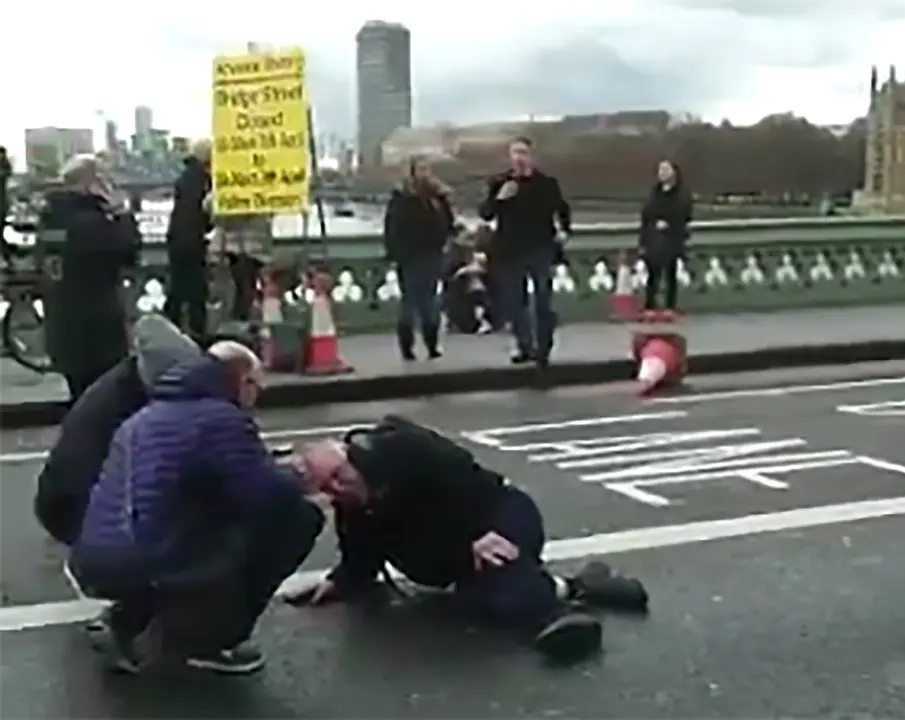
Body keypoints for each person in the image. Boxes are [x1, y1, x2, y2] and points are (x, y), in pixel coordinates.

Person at [282, 416, 649, 664]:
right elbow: (360, 560)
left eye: (338, 474)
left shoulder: (402, 452)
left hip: (498, 516)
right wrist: (337, 584)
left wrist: (481, 533)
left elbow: (467, 476)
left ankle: (561, 621)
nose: (337, 487)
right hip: (458, 559)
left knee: (503, 586)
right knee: (470, 601)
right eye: (326, 486)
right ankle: (582, 586)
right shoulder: (355, 511)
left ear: (350, 457)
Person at [69, 341, 328, 675]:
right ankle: (212, 640)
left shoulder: (144, 418)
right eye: (257, 387)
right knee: (298, 519)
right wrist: (302, 475)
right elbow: (266, 496)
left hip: (94, 557)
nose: (257, 398)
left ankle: (124, 619)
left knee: (181, 526)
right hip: (149, 556)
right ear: (243, 381)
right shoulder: (221, 417)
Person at [35, 315, 201, 636]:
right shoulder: (138, 407)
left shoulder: (117, 386)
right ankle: (143, 612)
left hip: (61, 504)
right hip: (81, 515)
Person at [42, 155, 141, 403]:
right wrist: (122, 213)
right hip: (97, 331)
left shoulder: (51, 217)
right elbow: (128, 251)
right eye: (106, 179)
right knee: (104, 404)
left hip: (62, 323)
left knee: (80, 401)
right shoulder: (91, 223)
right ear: (93, 183)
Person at [478, 137, 570, 369]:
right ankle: (525, 345)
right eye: (514, 153)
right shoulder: (499, 182)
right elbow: (486, 213)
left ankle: (543, 348)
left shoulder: (546, 183)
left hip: (540, 247)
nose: (518, 158)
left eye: (523, 153)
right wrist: (500, 198)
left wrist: (564, 230)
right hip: (510, 250)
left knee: (542, 300)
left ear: (531, 156)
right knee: (515, 302)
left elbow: (562, 209)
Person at [383, 157, 455, 361]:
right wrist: (394, 253)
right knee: (411, 302)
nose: (425, 173)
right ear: (413, 172)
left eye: (427, 169)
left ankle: (431, 345)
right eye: (421, 169)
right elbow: (392, 227)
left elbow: (448, 222)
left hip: (432, 254)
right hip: (410, 257)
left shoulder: (437, 196)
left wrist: (449, 237)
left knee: (430, 302)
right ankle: (407, 346)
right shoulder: (402, 198)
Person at [165, 139, 213, 341]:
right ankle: (196, 333)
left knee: (178, 287)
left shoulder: (186, 177)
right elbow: (204, 211)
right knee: (196, 291)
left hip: (177, 238)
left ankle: (170, 329)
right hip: (193, 239)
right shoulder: (203, 180)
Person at [637, 160, 693, 312]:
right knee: (652, 274)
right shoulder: (654, 192)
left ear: (674, 172)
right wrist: (644, 238)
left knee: (670, 273)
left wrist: (667, 221)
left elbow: (684, 213)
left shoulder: (682, 193)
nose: (662, 173)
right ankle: (650, 305)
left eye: (666, 169)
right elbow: (646, 214)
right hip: (653, 239)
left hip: (672, 238)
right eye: (661, 170)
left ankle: (670, 305)